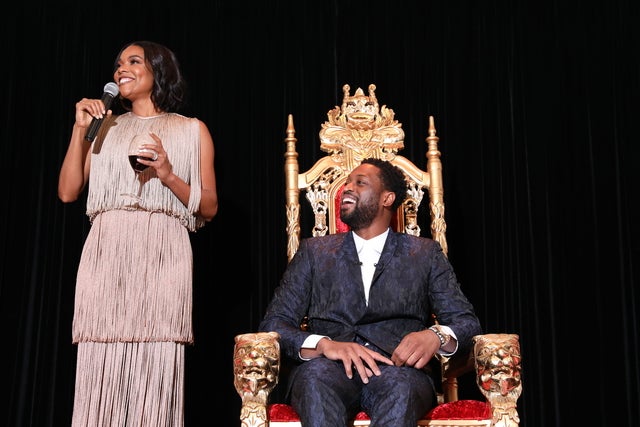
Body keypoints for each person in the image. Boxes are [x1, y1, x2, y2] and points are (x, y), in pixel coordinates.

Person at [58, 40, 218, 426]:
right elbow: (67, 191)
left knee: (156, 366)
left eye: (133, 61)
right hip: (106, 251)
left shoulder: (192, 130)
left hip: (163, 252)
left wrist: (167, 174)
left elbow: (209, 206)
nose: (120, 70)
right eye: (117, 64)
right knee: (99, 363)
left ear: (159, 71)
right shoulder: (103, 127)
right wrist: (80, 130)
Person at [259, 157, 482, 427]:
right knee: (313, 381)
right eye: (347, 182)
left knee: (402, 390)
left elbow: (467, 323)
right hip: (328, 369)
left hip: (399, 370)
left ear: (386, 198)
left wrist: (435, 335)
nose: (347, 188)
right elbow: (274, 324)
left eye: (360, 183)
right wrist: (323, 344)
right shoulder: (314, 253)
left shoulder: (424, 254)